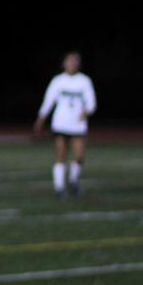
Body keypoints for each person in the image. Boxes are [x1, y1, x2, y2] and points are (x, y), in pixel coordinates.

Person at [32, 50, 97, 198]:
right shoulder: (58, 81)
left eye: (75, 61)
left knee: (79, 156)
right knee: (60, 155)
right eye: (69, 61)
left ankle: (73, 180)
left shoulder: (84, 81)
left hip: (78, 125)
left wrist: (86, 112)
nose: (71, 64)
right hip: (60, 123)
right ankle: (59, 187)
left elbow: (92, 103)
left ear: (78, 64)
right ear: (64, 63)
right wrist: (41, 118)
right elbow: (49, 100)